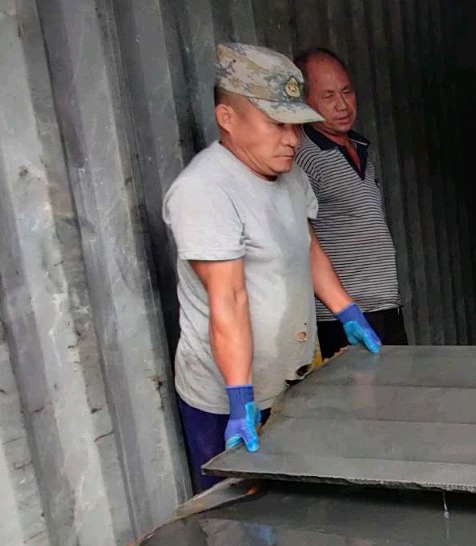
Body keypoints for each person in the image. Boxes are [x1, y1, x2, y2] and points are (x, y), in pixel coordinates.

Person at [164, 43, 383, 492]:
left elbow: (308, 245)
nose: (292, 139)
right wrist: (240, 398)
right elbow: (228, 298)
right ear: (227, 118)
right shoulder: (205, 190)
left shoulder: (290, 175)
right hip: (228, 401)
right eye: (276, 124)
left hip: (288, 381)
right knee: (239, 513)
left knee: (297, 505)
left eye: (296, 126)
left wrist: (347, 311)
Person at [294, 47, 410, 356]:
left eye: (347, 92)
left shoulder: (360, 148)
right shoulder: (301, 156)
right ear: (305, 102)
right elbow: (301, 240)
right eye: (328, 96)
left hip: (385, 308)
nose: (342, 105)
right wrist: (345, 311)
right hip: (341, 319)